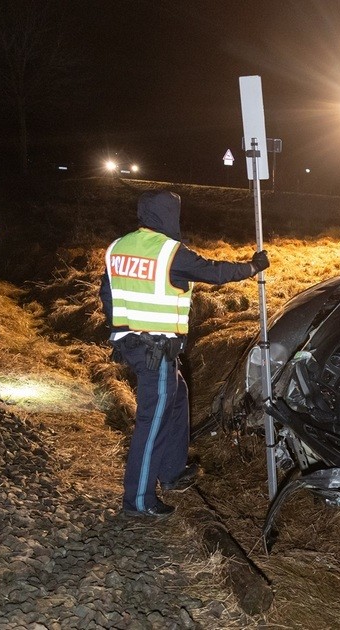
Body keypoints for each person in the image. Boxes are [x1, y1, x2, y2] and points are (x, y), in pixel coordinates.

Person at [100, 190, 269, 517]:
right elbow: (214, 271)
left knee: (178, 396)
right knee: (152, 421)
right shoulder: (169, 253)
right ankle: (138, 499)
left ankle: (172, 470)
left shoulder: (118, 247)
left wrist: (124, 334)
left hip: (132, 345)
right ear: (168, 215)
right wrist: (252, 266)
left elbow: (106, 293)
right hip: (156, 351)